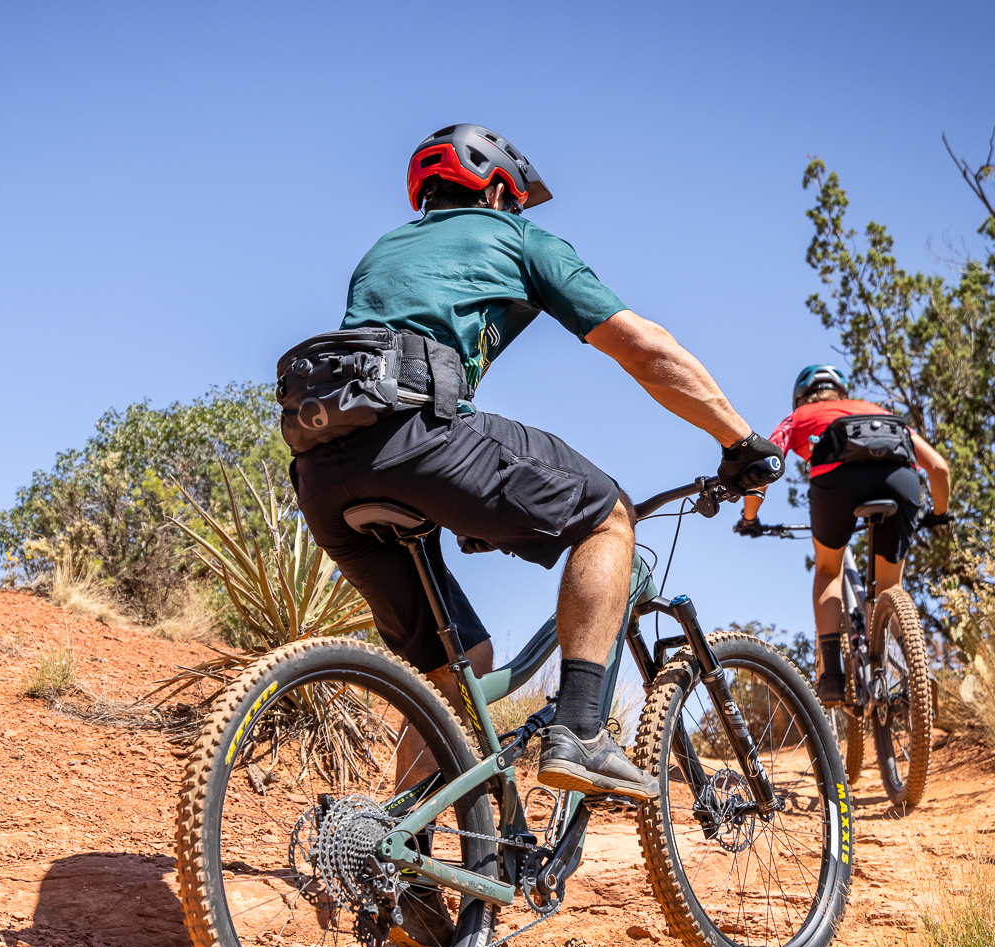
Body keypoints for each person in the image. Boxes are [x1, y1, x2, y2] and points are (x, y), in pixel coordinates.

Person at [283, 123, 783, 808]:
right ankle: (579, 730)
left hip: (322, 475)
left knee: (452, 677)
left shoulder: (382, 252)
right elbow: (646, 350)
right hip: (420, 441)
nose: (517, 212)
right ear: (495, 189)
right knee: (607, 515)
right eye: (515, 200)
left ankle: (407, 874)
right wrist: (738, 437)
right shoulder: (517, 239)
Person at [735, 363, 951, 706]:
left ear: (800, 397)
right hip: (901, 483)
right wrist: (939, 514)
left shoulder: (799, 417)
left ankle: (832, 675)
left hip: (836, 487)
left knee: (827, 571)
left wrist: (749, 517)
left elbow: (766, 464)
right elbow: (939, 467)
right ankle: (917, 672)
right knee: (890, 586)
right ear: (843, 392)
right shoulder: (879, 412)